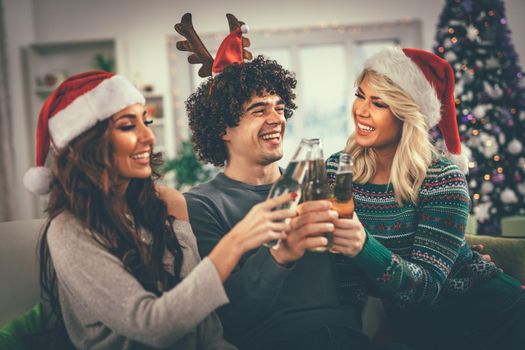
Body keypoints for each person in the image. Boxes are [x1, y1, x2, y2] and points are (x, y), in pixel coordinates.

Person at [177, 13, 411, 350]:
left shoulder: (319, 185)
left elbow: (376, 256)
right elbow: (228, 316)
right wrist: (282, 252)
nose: (277, 118)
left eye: (279, 107)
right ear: (222, 129)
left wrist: (456, 259)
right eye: (259, 110)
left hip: (348, 337)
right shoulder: (201, 206)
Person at [23, 70, 297, 350]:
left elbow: (205, 326)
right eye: (129, 126)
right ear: (89, 143)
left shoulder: (169, 204)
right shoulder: (68, 230)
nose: (148, 136)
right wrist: (237, 241)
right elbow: (152, 326)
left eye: (147, 121)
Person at [325, 47, 525, 350]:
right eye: (360, 95)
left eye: (378, 103)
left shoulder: (442, 179)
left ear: (407, 114)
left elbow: (426, 289)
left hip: (497, 318)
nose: (361, 110)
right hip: (419, 329)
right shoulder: (338, 170)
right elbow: (345, 277)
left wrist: (362, 245)